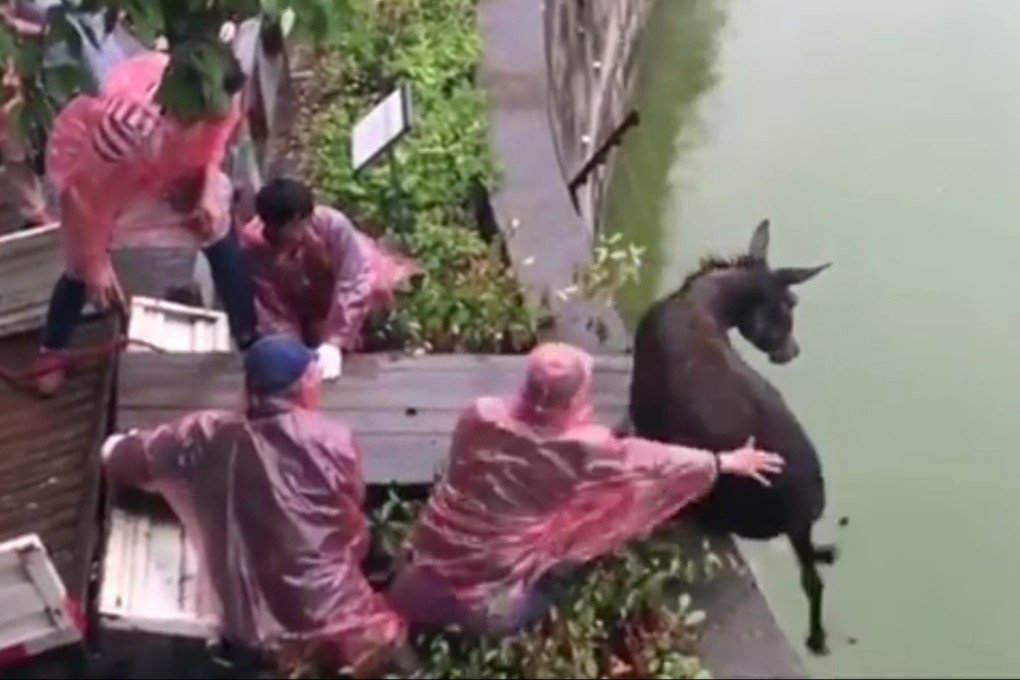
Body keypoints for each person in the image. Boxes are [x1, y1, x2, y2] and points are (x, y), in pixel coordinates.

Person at [386, 342, 785, 636]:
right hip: (486, 606)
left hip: (419, 567)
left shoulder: (481, 414)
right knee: (570, 557)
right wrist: (724, 462)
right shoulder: (585, 448)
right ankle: (515, 610)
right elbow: (651, 460)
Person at [100, 335, 419, 678]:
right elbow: (351, 533)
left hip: (251, 633)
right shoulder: (335, 440)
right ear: (305, 385)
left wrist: (124, 443)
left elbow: (118, 457)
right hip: (338, 617)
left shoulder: (204, 434)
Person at [33, 44, 258, 396]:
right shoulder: (126, 124)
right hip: (102, 175)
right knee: (80, 268)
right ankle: (53, 348)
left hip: (171, 165)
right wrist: (95, 258)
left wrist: (206, 187)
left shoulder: (225, 96)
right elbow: (84, 193)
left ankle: (248, 335)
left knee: (216, 230)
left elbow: (216, 143)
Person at [239, 177, 418, 381]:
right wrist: (290, 351)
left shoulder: (333, 226)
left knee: (366, 309)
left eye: (296, 227)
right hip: (300, 296)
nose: (291, 235)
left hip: (350, 284)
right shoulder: (254, 245)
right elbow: (271, 303)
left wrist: (334, 341)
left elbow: (353, 281)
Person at [0, 5, 50, 233]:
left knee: (15, 153)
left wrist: (14, 25)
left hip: (11, 93)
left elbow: (46, 32)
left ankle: (35, 210)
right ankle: (33, 209)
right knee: (14, 153)